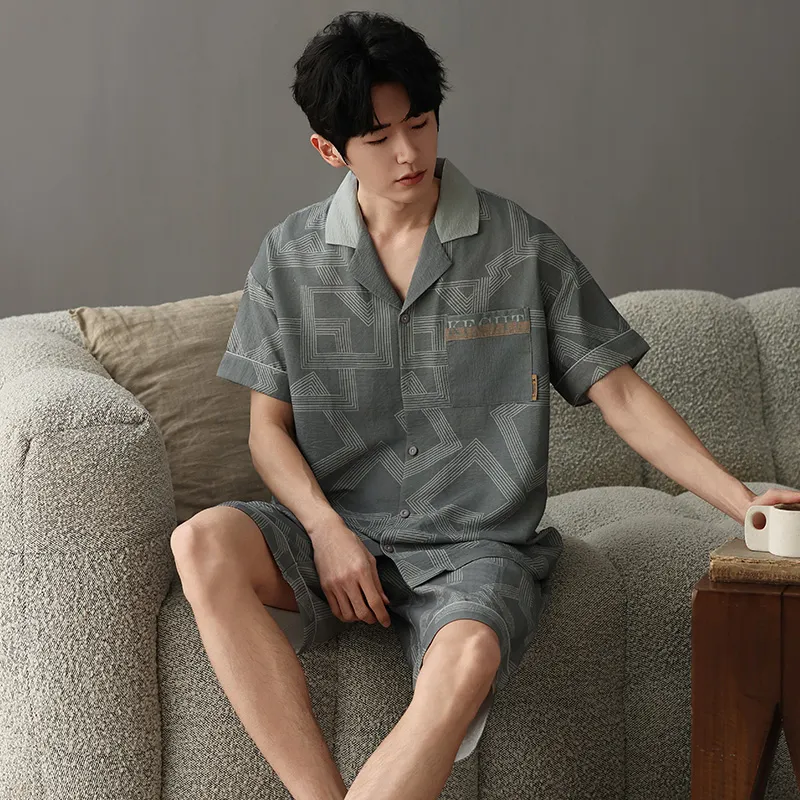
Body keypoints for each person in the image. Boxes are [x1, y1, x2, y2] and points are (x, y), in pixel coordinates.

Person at [170, 10, 651, 800]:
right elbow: (267, 431)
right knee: (200, 543)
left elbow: (621, 392)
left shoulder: (517, 245)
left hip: (474, 548)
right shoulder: (288, 257)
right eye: (378, 137)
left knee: (470, 655)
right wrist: (325, 530)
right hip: (337, 535)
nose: (408, 153)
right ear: (330, 149)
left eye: (420, 124)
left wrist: (742, 502)